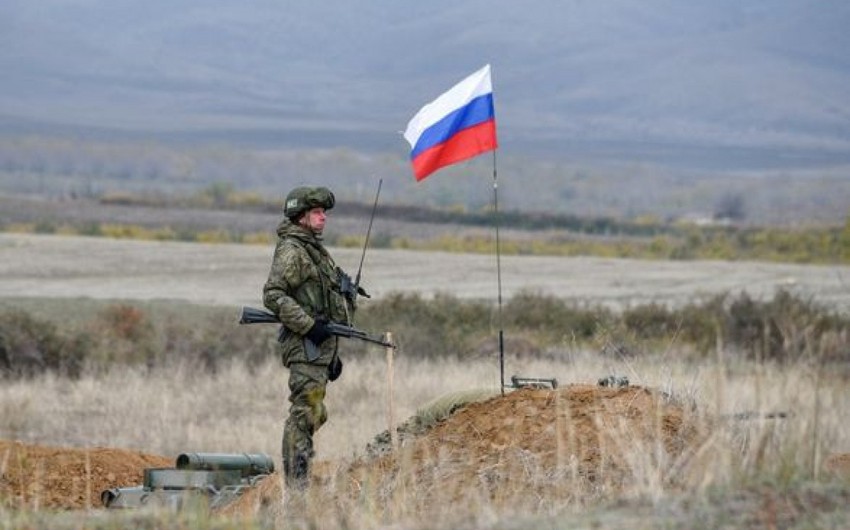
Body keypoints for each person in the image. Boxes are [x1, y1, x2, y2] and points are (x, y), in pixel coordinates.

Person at [262, 185, 355, 488]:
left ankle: (299, 479)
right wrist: (308, 326)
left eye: (324, 212)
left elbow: (322, 302)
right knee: (305, 412)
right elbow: (274, 295)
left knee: (314, 411)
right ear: (301, 216)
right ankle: (297, 488)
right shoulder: (293, 250)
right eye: (317, 212)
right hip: (305, 345)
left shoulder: (313, 250)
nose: (323, 218)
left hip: (318, 348)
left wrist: (332, 353)